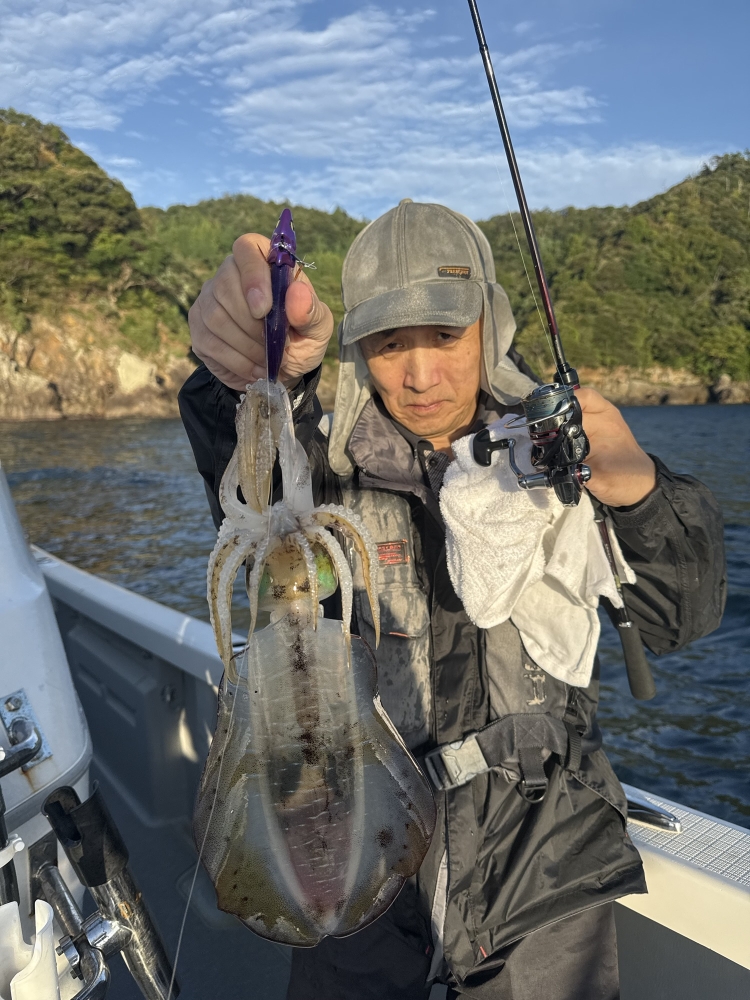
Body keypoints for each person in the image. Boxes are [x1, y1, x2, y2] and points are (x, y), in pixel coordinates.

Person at [179, 200, 726, 1000]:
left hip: (546, 878)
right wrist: (243, 372)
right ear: (358, 349)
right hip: (359, 861)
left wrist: (638, 489)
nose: (420, 375)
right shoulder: (318, 465)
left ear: (489, 328)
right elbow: (248, 461)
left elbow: (682, 617)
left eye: (444, 334)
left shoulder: (558, 456)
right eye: (389, 342)